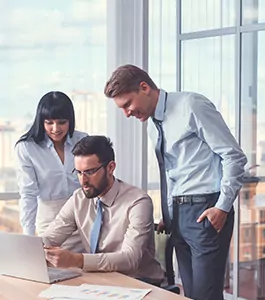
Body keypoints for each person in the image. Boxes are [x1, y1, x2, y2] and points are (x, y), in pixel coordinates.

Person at [104, 64, 248, 300]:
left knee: (206, 295)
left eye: (128, 104)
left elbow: (233, 155)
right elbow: (173, 172)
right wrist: (171, 213)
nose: (127, 113)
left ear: (144, 87)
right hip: (179, 217)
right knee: (190, 295)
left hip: (206, 211)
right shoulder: (152, 124)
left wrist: (222, 207)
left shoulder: (191, 106)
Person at [41, 135, 164, 285]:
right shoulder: (78, 198)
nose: (83, 180)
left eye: (90, 172)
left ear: (110, 167)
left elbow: (130, 259)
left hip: (139, 282)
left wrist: (76, 259)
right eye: (79, 172)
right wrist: (35, 247)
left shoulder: (138, 202)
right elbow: (51, 236)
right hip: (99, 281)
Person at [15, 91, 87, 252]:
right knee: (53, 268)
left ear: (70, 120)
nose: (55, 129)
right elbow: (28, 194)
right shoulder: (27, 148)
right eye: (49, 123)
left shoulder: (82, 141)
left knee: (87, 269)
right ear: (41, 122)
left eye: (62, 122)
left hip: (83, 217)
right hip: (50, 220)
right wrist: (28, 235)